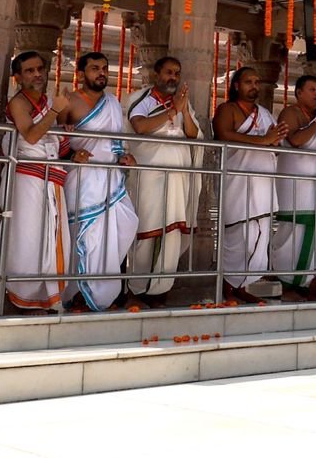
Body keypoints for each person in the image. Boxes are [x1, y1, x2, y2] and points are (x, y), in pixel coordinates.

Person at [60, 51, 138, 311]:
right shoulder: (69, 101)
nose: (102, 72)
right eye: (95, 68)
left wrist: (124, 156)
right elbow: (56, 139)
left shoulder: (113, 102)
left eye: (104, 68)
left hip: (111, 178)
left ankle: (102, 295)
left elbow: (117, 141)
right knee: (85, 236)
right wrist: (71, 154)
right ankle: (79, 295)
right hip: (82, 178)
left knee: (124, 225)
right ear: (82, 73)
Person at [126, 55, 202, 304]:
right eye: (169, 72)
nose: (173, 77)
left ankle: (161, 288)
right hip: (149, 177)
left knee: (172, 233)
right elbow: (139, 127)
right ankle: (138, 287)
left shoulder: (180, 102)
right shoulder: (142, 99)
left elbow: (193, 135)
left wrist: (184, 111)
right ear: (156, 74)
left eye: (177, 73)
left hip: (177, 177)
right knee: (148, 229)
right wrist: (173, 111)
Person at [4, 49, 70, 312]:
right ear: (18, 77)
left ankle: (47, 297)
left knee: (50, 235)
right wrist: (55, 110)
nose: (37, 74)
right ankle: (22, 297)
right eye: (29, 70)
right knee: (28, 236)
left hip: (50, 175)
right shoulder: (19, 103)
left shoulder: (46, 101)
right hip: (28, 178)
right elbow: (31, 137)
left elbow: (53, 139)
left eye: (40, 69)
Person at [212, 66, 285, 304]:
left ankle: (242, 286)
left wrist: (274, 140)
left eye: (256, 82)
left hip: (263, 183)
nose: (254, 86)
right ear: (236, 85)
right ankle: (226, 287)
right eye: (248, 82)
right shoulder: (227, 109)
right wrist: (263, 140)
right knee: (237, 236)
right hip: (237, 182)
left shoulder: (265, 114)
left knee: (259, 236)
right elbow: (223, 134)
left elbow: (274, 143)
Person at [269, 75, 316, 298]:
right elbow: (296, 141)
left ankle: (311, 283)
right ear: (299, 92)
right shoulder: (290, 112)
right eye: (312, 89)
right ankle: (287, 282)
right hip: (296, 183)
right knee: (294, 229)